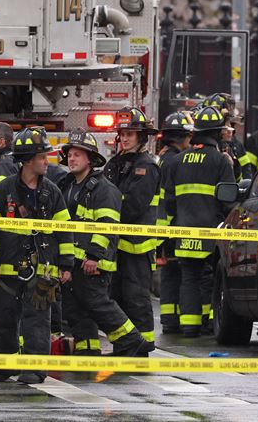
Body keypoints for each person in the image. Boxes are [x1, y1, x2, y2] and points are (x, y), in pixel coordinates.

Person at [0, 127, 74, 384]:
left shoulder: (52, 192)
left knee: (38, 319)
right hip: (6, 270)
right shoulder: (3, 191)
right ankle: (6, 366)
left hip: (43, 269)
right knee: (3, 318)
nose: (47, 161)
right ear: (29, 160)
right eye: (43, 157)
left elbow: (65, 231)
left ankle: (34, 369)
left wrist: (66, 265)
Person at [57, 128, 153, 357]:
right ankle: (87, 348)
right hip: (73, 260)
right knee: (75, 307)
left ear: (90, 159)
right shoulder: (66, 184)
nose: (72, 158)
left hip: (93, 261)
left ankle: (132, 341)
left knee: (98, 304)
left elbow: (107, 225)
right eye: (70, 154)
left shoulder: (103, 189)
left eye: (78, 154)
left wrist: (94, 256)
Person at [164, 105, 235, 338]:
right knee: (214, 278)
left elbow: (170, 202)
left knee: (189, 277)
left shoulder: (177, 161)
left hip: (183, 231)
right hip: (212, 232)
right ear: (217, 133)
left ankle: (189, 326)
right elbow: (229, 199)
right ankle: (210, 324)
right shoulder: (221, 161)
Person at [103, 107, 159, 349]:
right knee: (116, 297)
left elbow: (133, 206)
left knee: (136, 298)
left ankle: (143, 345)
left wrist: (108, 207)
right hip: (116, 245)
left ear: (141, 136)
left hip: (137, 246)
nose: (125, 138)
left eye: (131, 134)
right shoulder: (115, 164)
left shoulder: (146, 166)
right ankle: (124, 344)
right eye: (122, 133)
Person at [156, 111, 193, 334]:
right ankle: (172, 320)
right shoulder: (175, 162)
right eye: (189, 137)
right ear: (181, 138)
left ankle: (170, 318)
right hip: (170, 225)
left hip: (163, 226)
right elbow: (171, 198)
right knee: (173, 273)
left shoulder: (163, 158)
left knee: (170, 272)